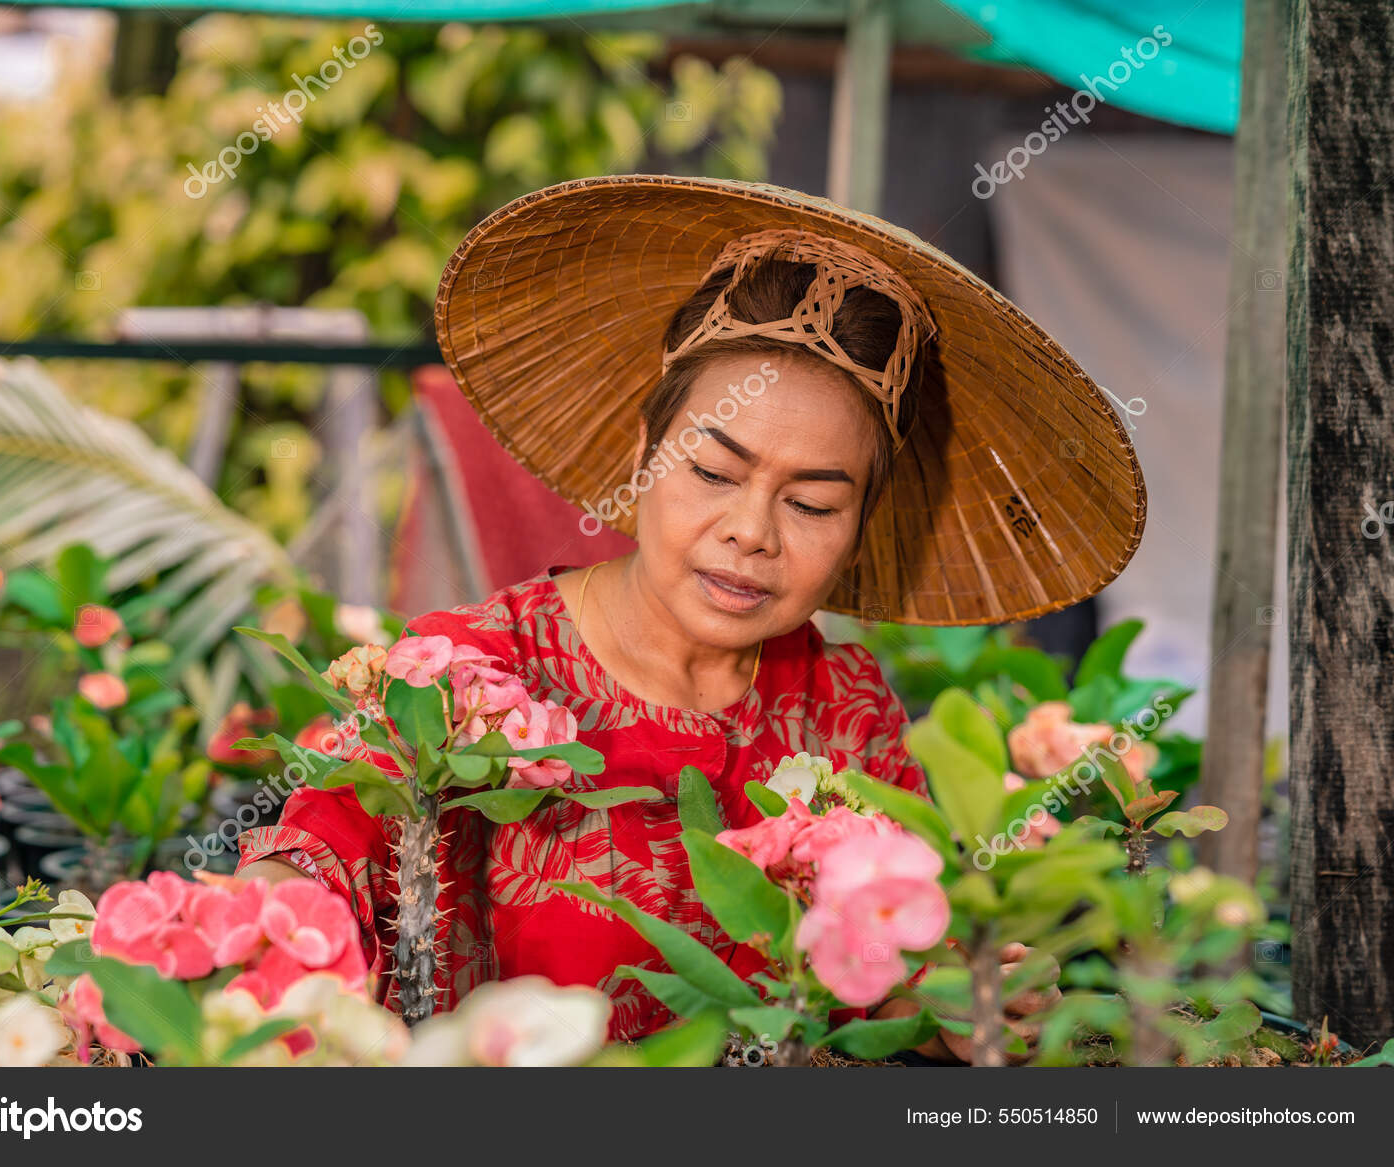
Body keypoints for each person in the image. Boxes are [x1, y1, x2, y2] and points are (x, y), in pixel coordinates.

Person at [238, 175, 1144, 1058]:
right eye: (713, 473)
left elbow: (881, 972)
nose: (750, 532)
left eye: (815, 505)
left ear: (862, 527)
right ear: (644, 453)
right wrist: (263, 938)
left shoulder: (844, 706)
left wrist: (960, 1003)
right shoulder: (474, 673)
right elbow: (304, 868)